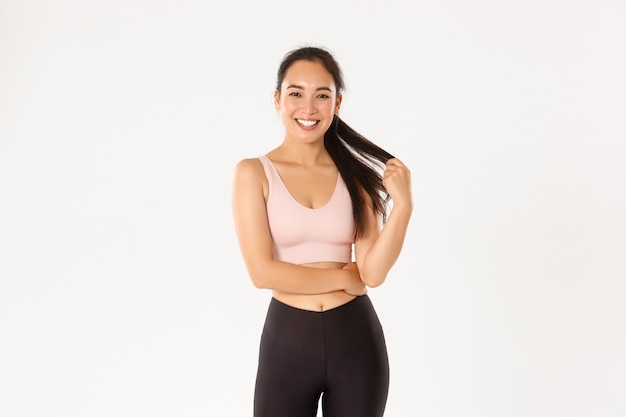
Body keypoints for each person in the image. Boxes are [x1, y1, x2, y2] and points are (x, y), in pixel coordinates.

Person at [231, 45, 413, 417]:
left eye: (322, 96)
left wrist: (404, 207)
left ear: (338, 103)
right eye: (296, 93)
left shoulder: (356, 177)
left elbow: (372, 273)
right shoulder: (253, 173)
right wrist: (344, 278)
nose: (308, 108)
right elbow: (262, 272)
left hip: (357, 341)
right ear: (278, 99)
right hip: (288, 341)